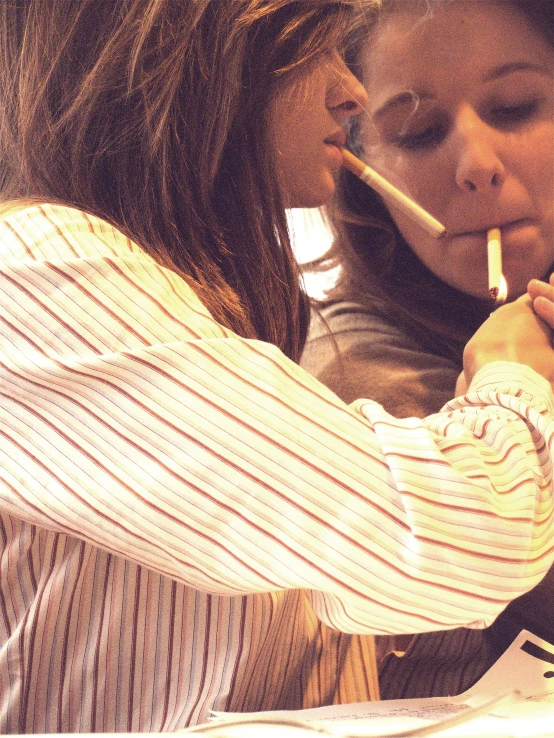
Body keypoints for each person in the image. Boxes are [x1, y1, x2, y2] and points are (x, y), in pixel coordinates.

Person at [1, 0, 554, 733]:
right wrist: (514, 367)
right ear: (196, 58)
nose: (349, 92)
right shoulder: (40, 270)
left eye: (514, 107)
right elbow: (467, 538)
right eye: (310, 48)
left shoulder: (195, 302)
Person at [301, 0, 554, 700]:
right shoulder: (356, 376)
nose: (477, 165)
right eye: (417, 133)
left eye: (514, 107)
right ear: (359, 170)